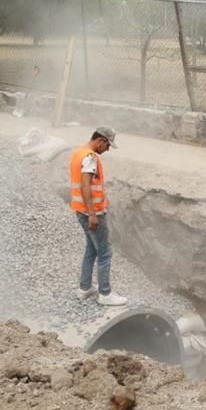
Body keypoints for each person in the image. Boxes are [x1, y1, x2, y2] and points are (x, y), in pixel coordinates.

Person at [69, 127, 128, 307]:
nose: (107, 149)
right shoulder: (90, 158)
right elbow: (85, 186)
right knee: (105, 253)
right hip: (92, 213)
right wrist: (93, 214)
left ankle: (85, 288)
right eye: (108, 145)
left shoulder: (79, 152)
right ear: (101, 140)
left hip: (80, 210)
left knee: (91, 249)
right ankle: (105, 294)